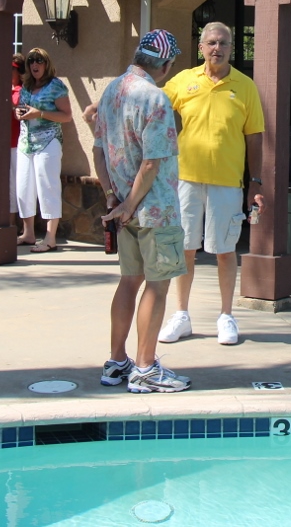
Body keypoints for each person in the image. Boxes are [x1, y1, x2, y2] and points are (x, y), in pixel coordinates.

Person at [93, 29, 190, 394]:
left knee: (128, 281)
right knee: (158, 286)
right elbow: (151, 164)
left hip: (122, 207)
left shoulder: (111, 91)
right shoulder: (156, 98)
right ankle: (146, 369)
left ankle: (117, 362)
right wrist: (132, 203)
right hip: (155, 210)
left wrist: (113, 201)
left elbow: (98, 150)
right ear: (164, 65)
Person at [157, 21, 265, 346]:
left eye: (223, 43)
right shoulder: (184, 80)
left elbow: (255, 137)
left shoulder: (245, 87)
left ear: (232, 48)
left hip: (228, 183)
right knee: (185, 248)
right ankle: (181, 316)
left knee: (224, 250)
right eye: (211, 43)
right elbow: (154, 104)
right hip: (186, 180)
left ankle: (226, 316)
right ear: (201, 47)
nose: (217, 48)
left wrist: (256, 181)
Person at [16, 47, 72, 251]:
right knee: (23, 187)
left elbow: (66, 116)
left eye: (39, 61)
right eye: (31, 61)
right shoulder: (27, 86)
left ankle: (50, 238)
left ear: (46, 64)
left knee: (47, 187)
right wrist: (21, 113)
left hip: (48, 142)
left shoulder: (56, 86)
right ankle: (28, 233)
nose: (34, 64)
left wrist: (39, 114)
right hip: (25, 143)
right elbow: (24, 109)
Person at [9, 53, 26, 226]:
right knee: (8, 184)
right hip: (5, 144)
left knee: (15, 184)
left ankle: (13, 223)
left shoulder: (21, 92)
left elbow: (18, 111)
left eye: (12, 69)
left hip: (16, 144)